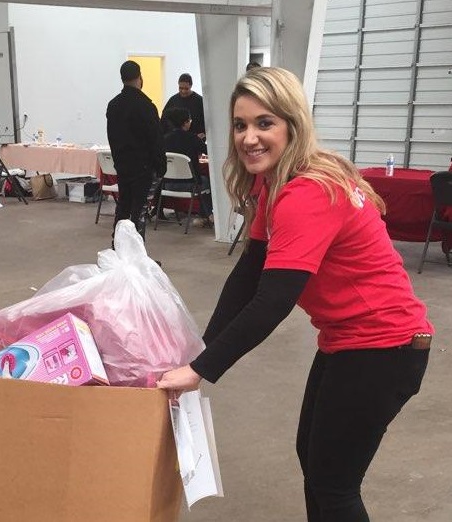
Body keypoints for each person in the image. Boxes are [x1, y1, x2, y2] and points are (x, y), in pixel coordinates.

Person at [157, 67, 432, 522]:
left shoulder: (306, 192)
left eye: (265, 123)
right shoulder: (279, 182)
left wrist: (201, 370)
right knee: (316, 461)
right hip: (351, 342)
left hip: (384, 346)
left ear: (292, 124)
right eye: (241, 125)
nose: (249, 137)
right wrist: (198, 351)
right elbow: (248, 275)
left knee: (334, 483)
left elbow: (273, 301)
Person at [106, 60, 166, 241]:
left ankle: (117, 248)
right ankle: (136, 256)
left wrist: (118, 160)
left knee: (123, 208)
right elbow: (156, 139)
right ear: (140, 77)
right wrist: (160, 166)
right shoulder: (146, 106)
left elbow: (111, 137)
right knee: (138, 212)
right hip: (143, 168)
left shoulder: (113, 105)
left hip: (123, 166)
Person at [160, 107, 213, 226]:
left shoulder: (164, 139)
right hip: (191, 184)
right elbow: (209, 152)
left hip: (167, 184)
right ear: (185, 123)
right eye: (189, 120)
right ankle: (205, 216)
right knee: (207, 181)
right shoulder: (192, 138)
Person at [161, 73, 206, 139]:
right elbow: (164, 120)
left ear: (191, 86)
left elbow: (206, 120)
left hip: (195, 140)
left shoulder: (199, 101)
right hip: (175, 140)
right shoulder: (173, 100)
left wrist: (203, 134)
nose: (183, 91)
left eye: (186, 88)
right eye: (181, 88)